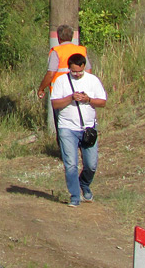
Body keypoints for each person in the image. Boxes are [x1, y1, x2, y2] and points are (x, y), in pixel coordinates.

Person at [49, 53, 107, 206]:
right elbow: (55, 104)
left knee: (91, 164)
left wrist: (88, 99)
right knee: (71, 164)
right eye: (74, 71)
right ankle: (75, 196)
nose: (77, 74)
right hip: (67, 128)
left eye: (79, 71)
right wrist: (71, 98)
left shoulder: (92, 80)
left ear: (84, 67)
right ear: (69, 68)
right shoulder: (61, 81)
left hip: (88, 128)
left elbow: (102, 102)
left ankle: (84, 183)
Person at [38, 23, 91, 98]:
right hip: (79, 90)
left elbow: (51, 74)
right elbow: (88, 71)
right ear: (71, 37)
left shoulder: (56, 51)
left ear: (58, 37)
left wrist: (41, 88)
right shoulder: (81, 50)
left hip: (60, 92)